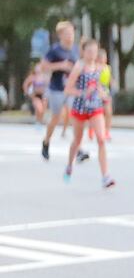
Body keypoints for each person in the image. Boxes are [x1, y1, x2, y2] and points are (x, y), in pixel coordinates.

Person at [61, 38, 114, 189]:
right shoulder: (79, 67)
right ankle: (69, 166)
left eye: (94, 51)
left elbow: (100, 86)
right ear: (83, 52)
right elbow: (68, 89)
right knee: (77, 140)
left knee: (101, 139)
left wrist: (103, 94)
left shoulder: (99, 67)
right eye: (89, 51)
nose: (92, 54)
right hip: (80, 107)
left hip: (95, 107)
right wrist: (83, 92)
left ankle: (105, 176)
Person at [40, 20, 79, 161]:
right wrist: (60, 65)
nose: (70, 36)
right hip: (56, 89)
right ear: (61, 35)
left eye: (72, 33)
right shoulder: (55, 50)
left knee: (75, 115)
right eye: (67, 33)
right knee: (56, 118)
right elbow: (43, 67)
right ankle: (46, 141)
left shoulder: (75, 49)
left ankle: (78, 149)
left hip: (71, 89)